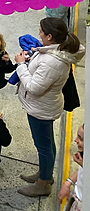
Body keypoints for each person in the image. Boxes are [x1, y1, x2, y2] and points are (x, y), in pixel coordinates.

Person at [16, 18, 85, 196]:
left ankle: (43, 183)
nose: (38, 33)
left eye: (41, 31)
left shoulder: (53, 62)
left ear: (49, 36)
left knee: (44, 147)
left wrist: (20, 65)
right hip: (46, 106)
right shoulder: (57, 51)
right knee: (47, 144)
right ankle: (45, 174)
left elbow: (34, 88)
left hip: (40, 109)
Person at [57, 124, 84, 211]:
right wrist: (68, 183)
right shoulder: (84, 154)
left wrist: (84, 166)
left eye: (81, 139)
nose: (75, 140)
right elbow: (81, 171)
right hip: (77, 196)